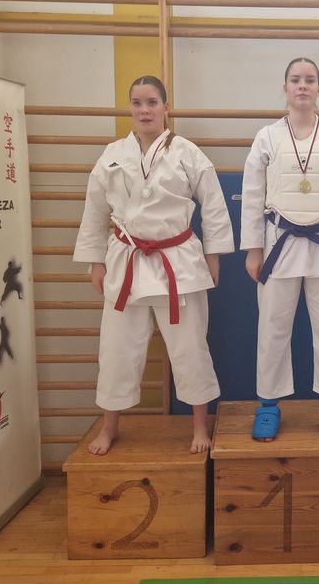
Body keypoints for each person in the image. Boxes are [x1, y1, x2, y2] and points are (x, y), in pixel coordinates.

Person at [73, 75, 234, 455]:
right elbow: (95, 210)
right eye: (137, 103)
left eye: (151, 102)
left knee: (190, 347)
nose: (144, 110)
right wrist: (95, 261)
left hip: (178, 262)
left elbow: (213, 206)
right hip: (126, 260)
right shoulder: (113, 154)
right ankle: (110, 426)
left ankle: (200, 425)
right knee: (116, 349)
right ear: (130, 108)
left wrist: (213, 256)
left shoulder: (188, 153)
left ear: (166, 107)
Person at [241, 57, 319, 443]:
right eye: (295, 79)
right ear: (285, 88)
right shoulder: (267, 137)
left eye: (310, 80)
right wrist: (252, 249)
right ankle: (268, 405)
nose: (302, 86)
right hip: (278, 243)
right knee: (272, 327)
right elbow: (252, 196)